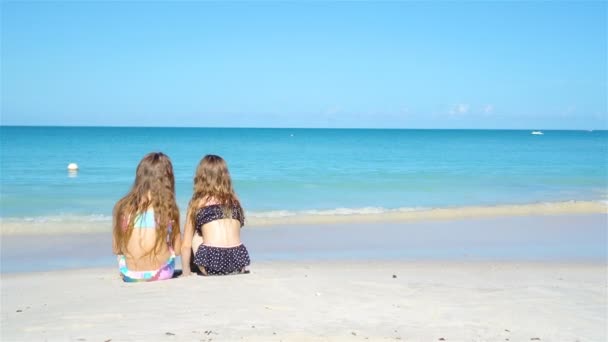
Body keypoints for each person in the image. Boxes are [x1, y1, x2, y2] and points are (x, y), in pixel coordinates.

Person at [112, 152, 181, 282]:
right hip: (161, 273)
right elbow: (177, 251)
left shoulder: (122, 207)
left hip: (130, 275)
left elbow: (117, 249)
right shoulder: (169, 209)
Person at [181, 154, 250, 276]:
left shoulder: (197, 202)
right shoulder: (235, 200)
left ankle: (193, 267)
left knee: (196, 234)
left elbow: (186, 245)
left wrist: (185, 272)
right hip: (239, 264)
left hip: (211, 266)